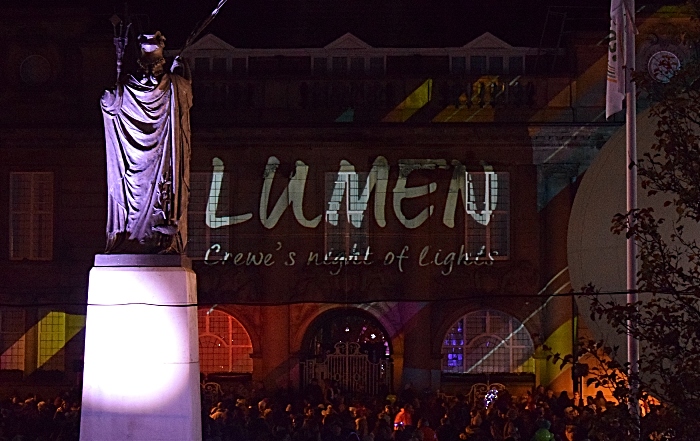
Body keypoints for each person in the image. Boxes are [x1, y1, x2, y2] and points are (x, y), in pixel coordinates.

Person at [101, 31, 192, 254]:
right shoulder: (129, 88)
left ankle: (157, 237)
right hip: (135, 162)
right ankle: (134, 238)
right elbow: (110, 105)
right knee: (136, 197)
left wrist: (179, 75)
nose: (150, 72)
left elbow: (186, 94)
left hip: (163, 156)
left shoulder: (172, 85)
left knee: (160, 195)